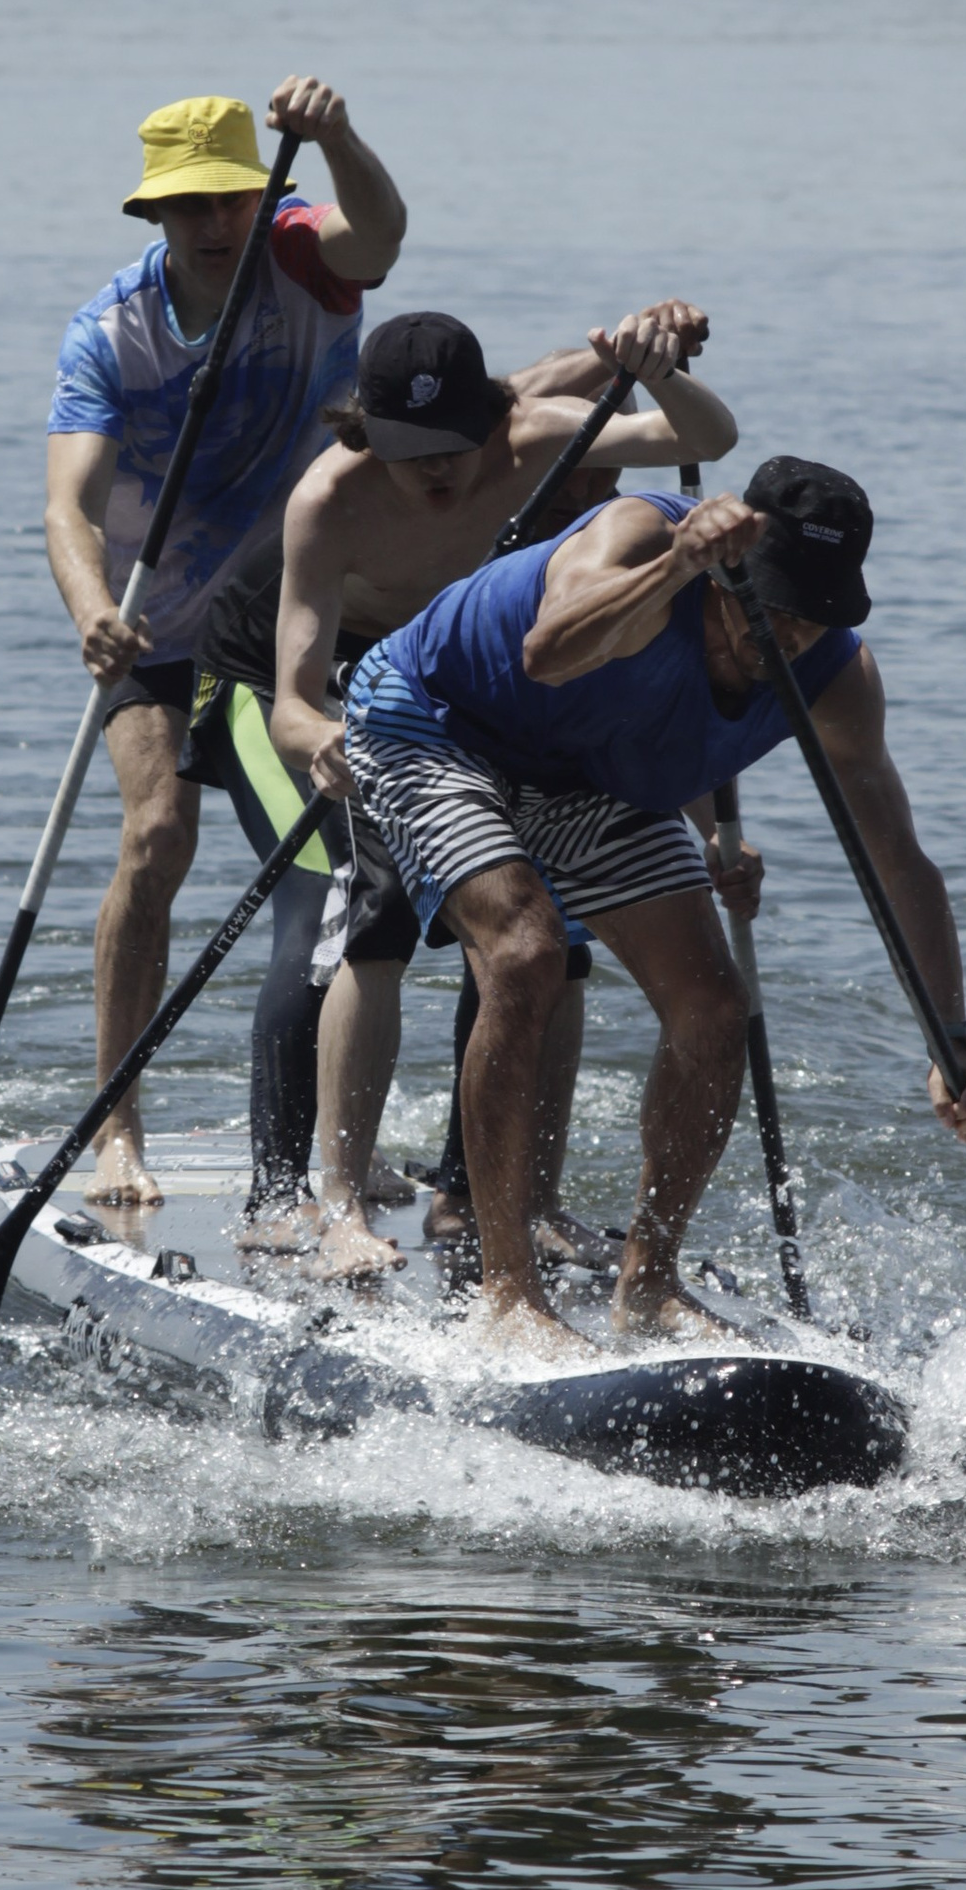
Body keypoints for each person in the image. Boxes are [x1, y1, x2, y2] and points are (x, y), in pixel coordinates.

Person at [338, 458, 966, 1351]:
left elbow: (901, 864)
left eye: (813, 617)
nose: (788, 637)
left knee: (715, 1010)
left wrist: (949, 1039)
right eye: (771, 608)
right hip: (436, 724)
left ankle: (648, 1283)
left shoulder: (838, 678)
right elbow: (548, 654)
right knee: (527, 953)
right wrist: (676, 566)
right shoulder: (639, 538)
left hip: (588, 770)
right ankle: (508, 1298)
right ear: (728, 570)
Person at [258, 301, 738, 1273]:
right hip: (377, 689)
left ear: (491, 417)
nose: (436, 470)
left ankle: (515, 1203)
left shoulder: (536, 435)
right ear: (366, 433)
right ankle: (340, 1205)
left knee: (549, 944)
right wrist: (323, 743)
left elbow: (706, 439)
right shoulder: (327, 500)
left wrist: (656, 367)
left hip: (495, 683)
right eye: (408, 452)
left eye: (453, 445)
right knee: (379, 926)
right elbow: (290, 704)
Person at [44, 77, 405, 1205]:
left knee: (344, 863)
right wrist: (92, 611)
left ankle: (335, 1146)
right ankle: (116, 1127)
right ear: (153, 210)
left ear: (261, 196)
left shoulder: (301, 256)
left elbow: (381, 239)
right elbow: (67, 507)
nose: (213, 223)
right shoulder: (110, 332)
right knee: (158, 837)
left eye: (230, 200)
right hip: (150, 622)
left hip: (291, 619)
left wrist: (337, 136)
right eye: (189, 204)